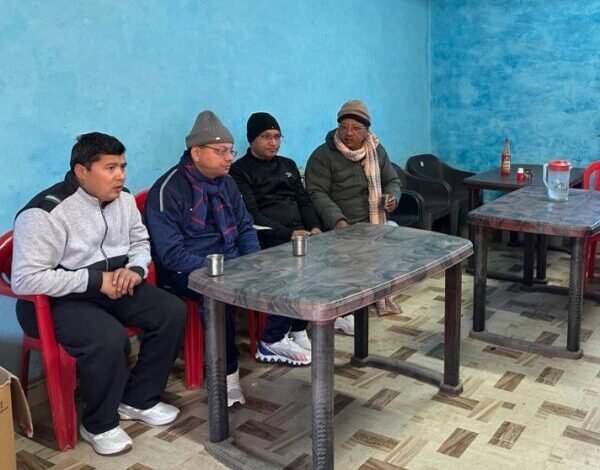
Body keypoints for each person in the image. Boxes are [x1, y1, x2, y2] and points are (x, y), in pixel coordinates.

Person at [12, 132, 186, 456]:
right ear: (82, 171)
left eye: (123, 166)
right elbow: (25, 280)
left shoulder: (124, 200)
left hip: (113, 285)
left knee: (171, 311)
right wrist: (95, 281)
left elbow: (140, 241)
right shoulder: (44, 213)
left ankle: (138, 399)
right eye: (110, 168)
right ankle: (98, 424)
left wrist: (135, 269)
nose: (120, 176)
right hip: (55, 301)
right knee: (108, 339)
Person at [144, 110, 260, 407]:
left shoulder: (226, 183)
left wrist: (253, 262)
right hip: (183, 267)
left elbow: (245, 226)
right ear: (196, 153)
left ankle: (275, 340)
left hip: (227, 259)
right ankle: (226, 376)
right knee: (217, 296)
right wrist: (220, 269)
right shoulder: (169, 189)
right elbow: (171, 254)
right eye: (221, 151)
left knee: (277, 269)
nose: (229, 158)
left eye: (230, 151)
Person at [230, 112, 319, 365]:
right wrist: (288, 233)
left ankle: (298, 328)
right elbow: (252, 214)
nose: (273, 142)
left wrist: (314, 227)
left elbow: (304, 201)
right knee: (292, 268)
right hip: (267, 237)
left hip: (300, 233)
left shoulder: (288, 165)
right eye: (266, 137)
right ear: (252, 139)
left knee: (322, 261)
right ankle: (273, 337)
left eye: (277, 137)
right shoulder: (239, 171)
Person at [305, 100, 403, 317]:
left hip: (373, 220)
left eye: (356, 128)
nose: (348, 133)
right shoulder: (323, 155)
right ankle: (348, 304)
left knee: (397, 238)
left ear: (366, 130)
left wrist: (391, 198)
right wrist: (338, 221)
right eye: (343, 127)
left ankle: (376, 293)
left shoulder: (376, 150)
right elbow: (316, 193)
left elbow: (393, 181)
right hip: (340, 224)